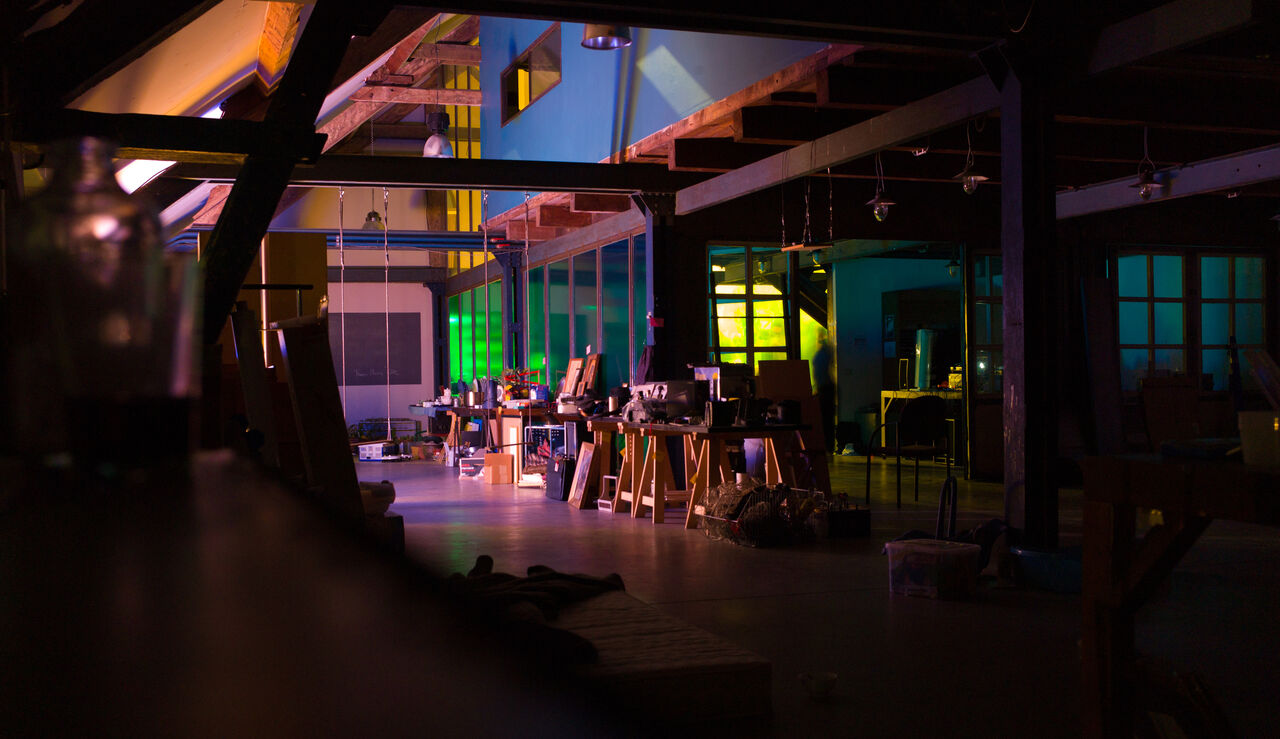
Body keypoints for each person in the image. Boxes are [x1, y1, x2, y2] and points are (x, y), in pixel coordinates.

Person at [812, 333, 836, 453]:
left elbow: (818, 374)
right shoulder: (825, 354)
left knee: (825, 419)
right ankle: (829, 446)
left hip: (823, 389)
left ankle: (827, 446)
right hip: (826, 388)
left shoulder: (819, 356)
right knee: (828, 419)